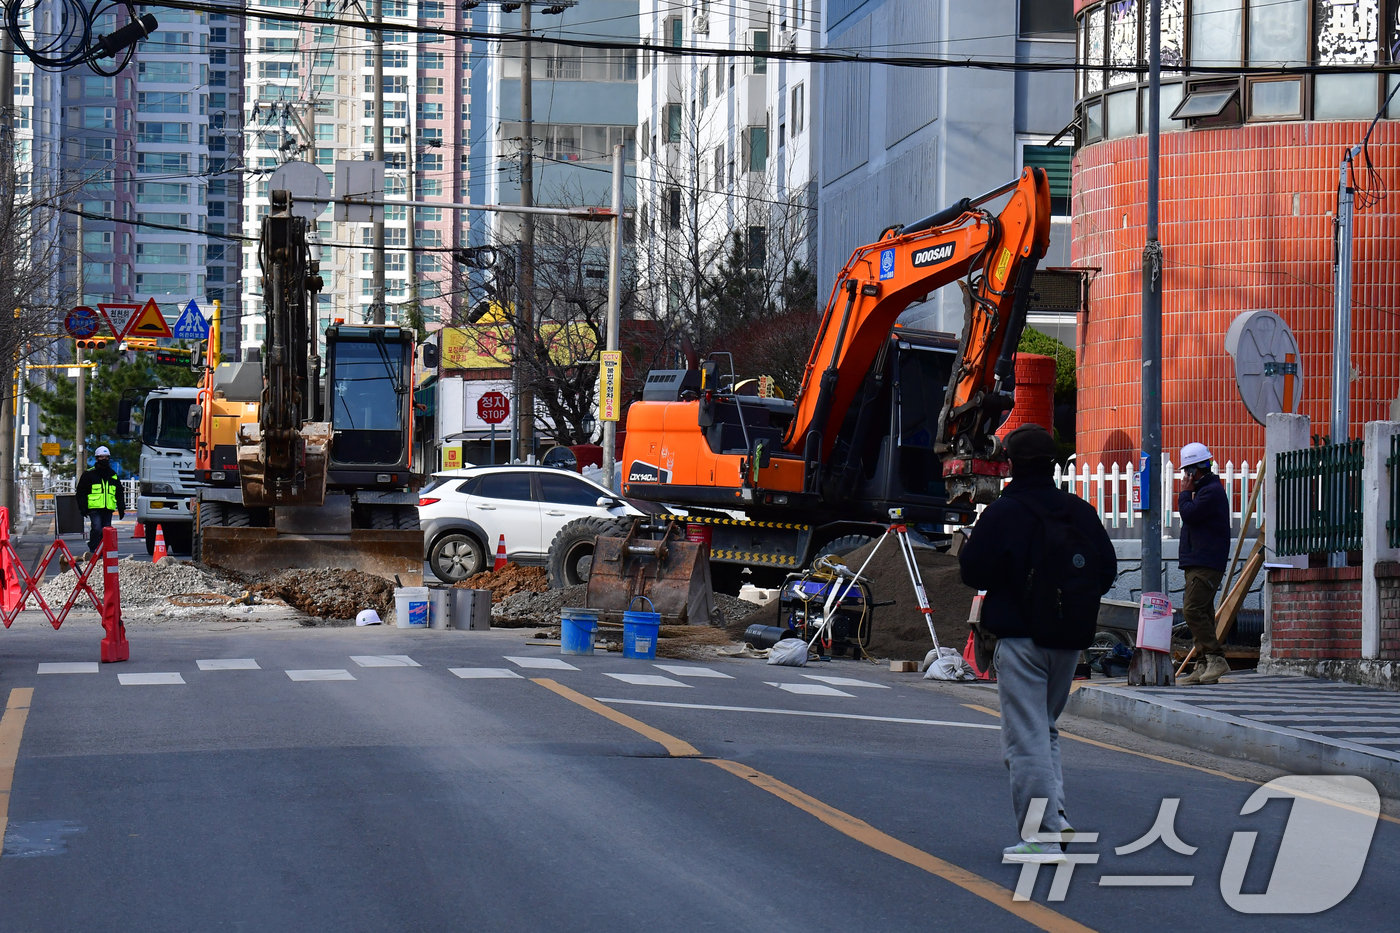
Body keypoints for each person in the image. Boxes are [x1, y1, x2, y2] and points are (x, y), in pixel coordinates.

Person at [958, 424, 1117, 864]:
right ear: (1052, 464)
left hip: (1021, 639)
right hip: (1069, 640)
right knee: (1044, 729)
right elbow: (1106, 571)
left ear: (1011, 463)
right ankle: (1056, 818)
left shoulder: (1004, 512)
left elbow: (973, 572)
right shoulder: (1079, 511)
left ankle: (1042, 836)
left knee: (1025, 738)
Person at [1176, 442, 1231, 686]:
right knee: (1203, 612)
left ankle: (1216, 658)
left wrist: (1184, 493)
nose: (1184, 477)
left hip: (1205, 562)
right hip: (1199, 560)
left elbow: (1188, 513)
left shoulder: (1211, 492)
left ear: (1193, 470)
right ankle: (1203, 664)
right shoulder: (1206, 491)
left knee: (1192, 610)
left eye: (1186, 472)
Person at [75, 445, 124, 560]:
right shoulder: (89, 474)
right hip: (94, 508)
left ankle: (103, 551)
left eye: (106, 457)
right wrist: (83, 507)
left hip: (108, 508)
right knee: (97, 528)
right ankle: (93, 549)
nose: (104, 459)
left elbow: (119, 492)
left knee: (106, 531)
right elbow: (81, 492)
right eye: (102, 457)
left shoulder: (113, 475)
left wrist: (121, 508)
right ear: (97, 459)